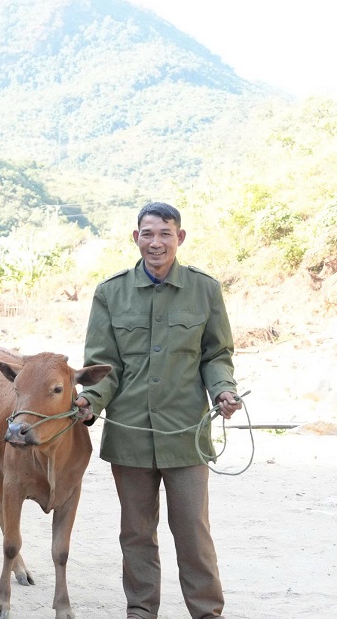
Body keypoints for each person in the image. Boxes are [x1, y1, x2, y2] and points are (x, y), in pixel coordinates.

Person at [76, 202, 242, 619]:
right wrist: (89, 402)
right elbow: (103, 365)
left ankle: (206, 612)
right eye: (147, 234)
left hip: (186, 431)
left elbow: (216, 354)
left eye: (165, 234)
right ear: (136, 238)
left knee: (192, 531)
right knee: (135, 533)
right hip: (129, 431)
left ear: (179, 238)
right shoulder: (110, 292)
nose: (156, 242)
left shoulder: (205, 289)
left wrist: (223, 390)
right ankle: (140, 611)